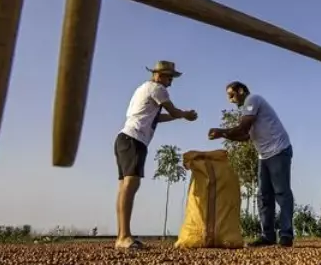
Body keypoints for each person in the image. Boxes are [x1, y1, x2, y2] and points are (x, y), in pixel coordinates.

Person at [113, 60, 197, 250]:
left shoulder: (144, 89)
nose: (171, 82)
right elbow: (173, 111)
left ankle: (122, 235)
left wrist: (179, 116)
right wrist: (185, 115)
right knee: (130, 184)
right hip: (134, 139)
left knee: (125, 186)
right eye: (169, 77)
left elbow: (157, 117)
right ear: (159, 75)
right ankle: (124, 236)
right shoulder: (158, 89)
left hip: (124, 139)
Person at [208, 81, 295, 248]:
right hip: (264, 155)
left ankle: (286, 235)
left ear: (241, 90)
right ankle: (268, 236)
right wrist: (224, 135)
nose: (230, 99)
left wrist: (221, 131)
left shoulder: (252, 99)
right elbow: (245, 136)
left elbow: (242, 128)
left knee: (282, 193)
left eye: (231, 95)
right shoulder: (246, 109)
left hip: (278, 150)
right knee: (263, 196)